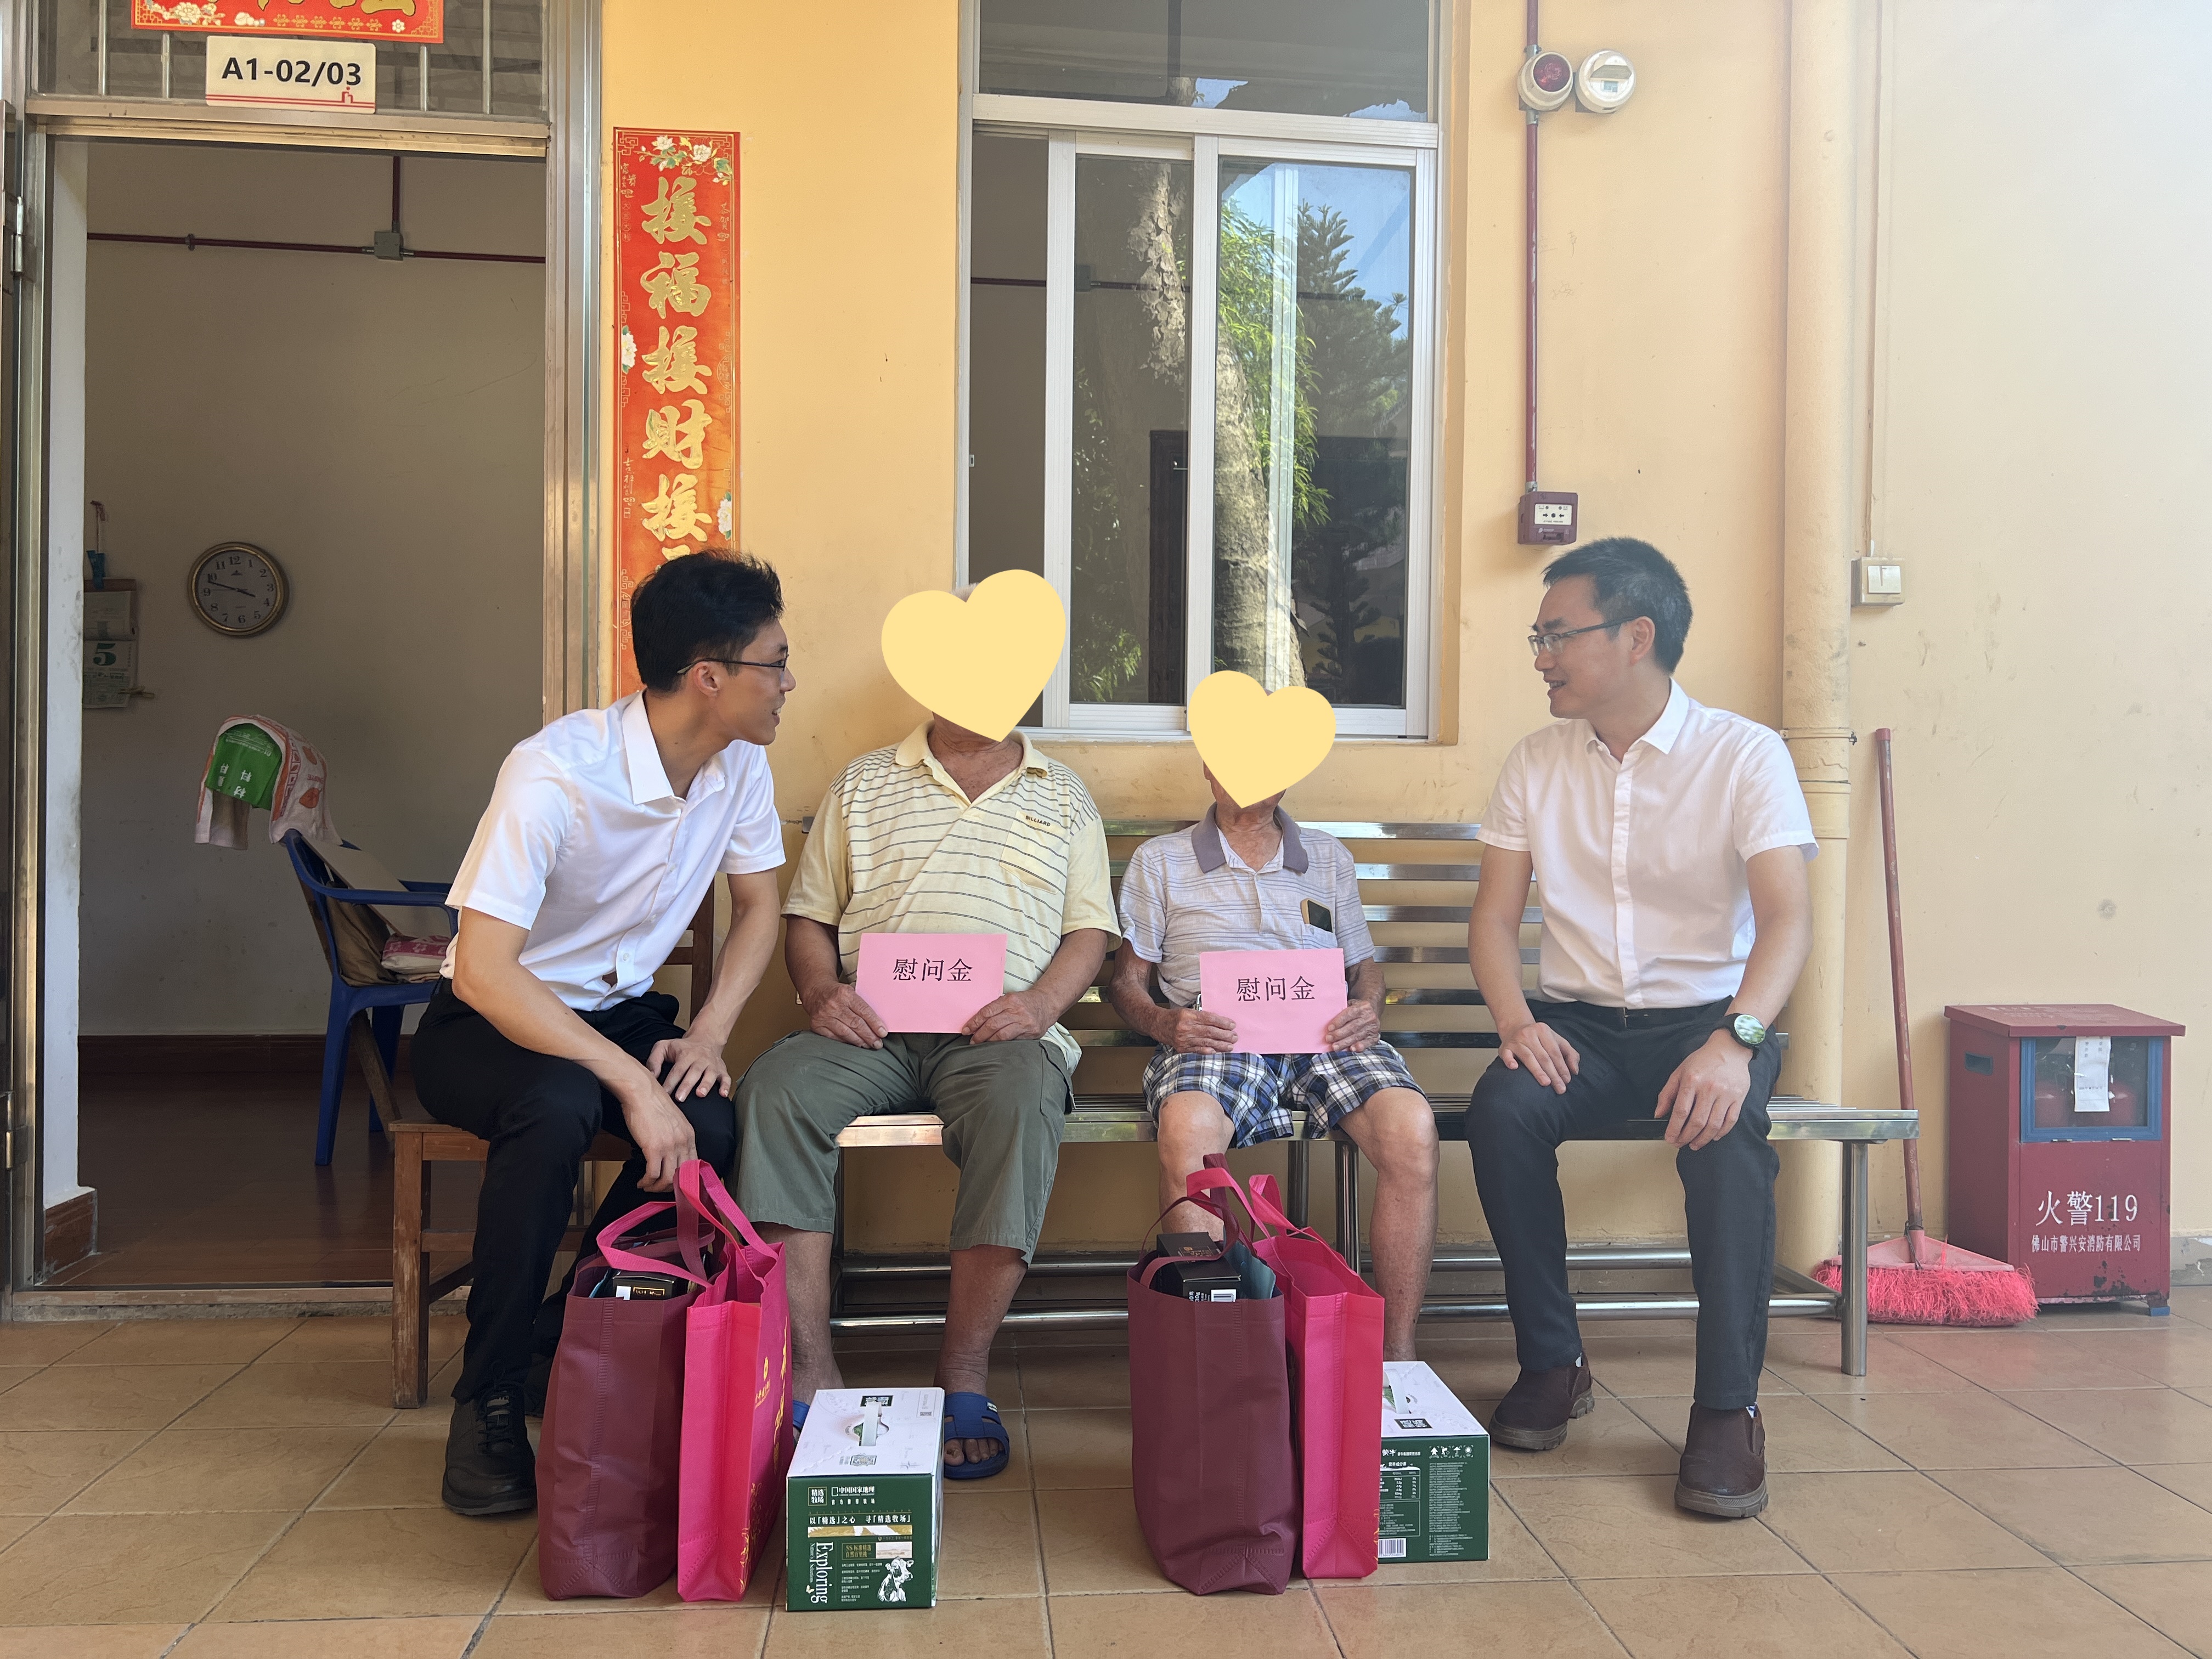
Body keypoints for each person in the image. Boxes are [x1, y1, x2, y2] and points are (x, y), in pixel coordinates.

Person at [414, 551, 795, 1516]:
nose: (789, 683)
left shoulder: (739, 762)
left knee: (712, 1126)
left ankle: (563, 1333)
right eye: (775, 662)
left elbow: (759, 906)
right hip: (492, 1016)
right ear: (709, 677)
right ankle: (487, 1395)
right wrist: (630, 1080)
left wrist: (706, 1037)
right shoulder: (554, 771)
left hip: (618, 1013)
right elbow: (484, 969)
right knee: (555, 1109)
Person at [1464, 538, 1814, 1520]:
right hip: (1577, 1027)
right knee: (1503, 1111)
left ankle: (1728, 1408)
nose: (1540, 657)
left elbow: (1787, 919)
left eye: (1556, 635)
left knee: (1725, 1137)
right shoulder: (1535, 762)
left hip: (1707, 1024)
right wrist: (1516, 1021)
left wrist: (1735, 1044)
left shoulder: (1744, 755)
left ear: (1635, 636)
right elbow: (1493, 917)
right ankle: (1553, 1360)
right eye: (1537, 637)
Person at [734, 713, 1117, 1479]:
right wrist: (821, 991)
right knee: (775, 1091)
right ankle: (810, 1369)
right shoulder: (863, 781)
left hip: (997, 1036)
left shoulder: (1064, 793)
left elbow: (1089, 933)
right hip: (869, 1030)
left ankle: (963, 1371)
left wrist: (1040, 1006)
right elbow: (809, 916)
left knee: (1020, 1104)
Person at [1108, 766, 1438, 1357]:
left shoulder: (1327, 857)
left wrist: (1367, 1007)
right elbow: (1127, 982)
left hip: (1324, 1031)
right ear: (1209, 768)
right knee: (1186, 1128)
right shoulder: (1160, 859)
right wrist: (1165, 1022)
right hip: (1217, 1035)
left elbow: (1363, 968)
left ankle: (1397, 1360)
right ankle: (1216, 1359)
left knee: (1412, 1128)